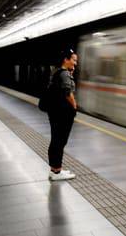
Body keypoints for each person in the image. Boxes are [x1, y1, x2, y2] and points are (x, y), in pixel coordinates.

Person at [47, 49, 78, 181]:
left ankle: (55, 169)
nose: (75, 63)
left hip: (54, 111)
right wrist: (75, 106)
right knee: (60, 141)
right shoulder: (65, 74)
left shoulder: (56, 71)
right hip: (62, 113)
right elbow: (68, 92)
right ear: (66, 59)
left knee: (56, 139)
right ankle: (57, 172)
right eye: (74, 60)